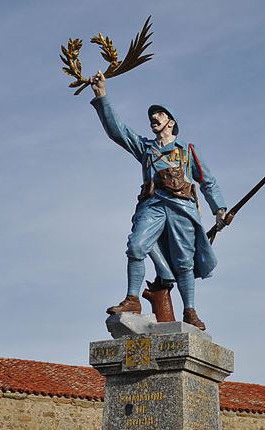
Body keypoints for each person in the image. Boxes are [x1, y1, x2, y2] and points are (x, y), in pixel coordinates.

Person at [90, 71, 230, 330]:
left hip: (182, 208)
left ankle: (190, 311)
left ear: (171, 122)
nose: (154, 117)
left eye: (160, 114)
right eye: (152, 116)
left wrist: (219, 209)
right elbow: (117, 131)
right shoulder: (146, 148)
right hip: (152, 205)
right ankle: (132, 298)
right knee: (136, 246)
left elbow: (207, 180)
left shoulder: (186, 151)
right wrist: (102, 97)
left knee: (184, 262)